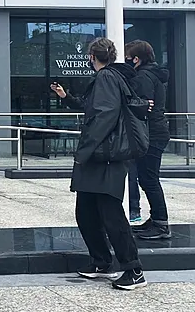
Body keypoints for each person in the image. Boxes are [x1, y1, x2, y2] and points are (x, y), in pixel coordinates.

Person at [51, 38, 147, 290]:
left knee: (110, 213)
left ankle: (133, 269)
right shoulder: (113, 77)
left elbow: (103, 116)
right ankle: (101, 261)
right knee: (87, 211)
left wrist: (84, 150)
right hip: (103, 154)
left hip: (105, 155)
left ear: (92, 56)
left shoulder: (106, 78)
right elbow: (93, 108)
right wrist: (66, 97)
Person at [125, 40, 171, 240]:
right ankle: (156, 220)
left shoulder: (143, 76)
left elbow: (142, 106)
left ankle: (160, 224)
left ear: (136, 59)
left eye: (128, 57)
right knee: (147, 178)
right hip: (157, 131)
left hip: (151, 132)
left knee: (148, 179)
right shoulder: (154, 74)